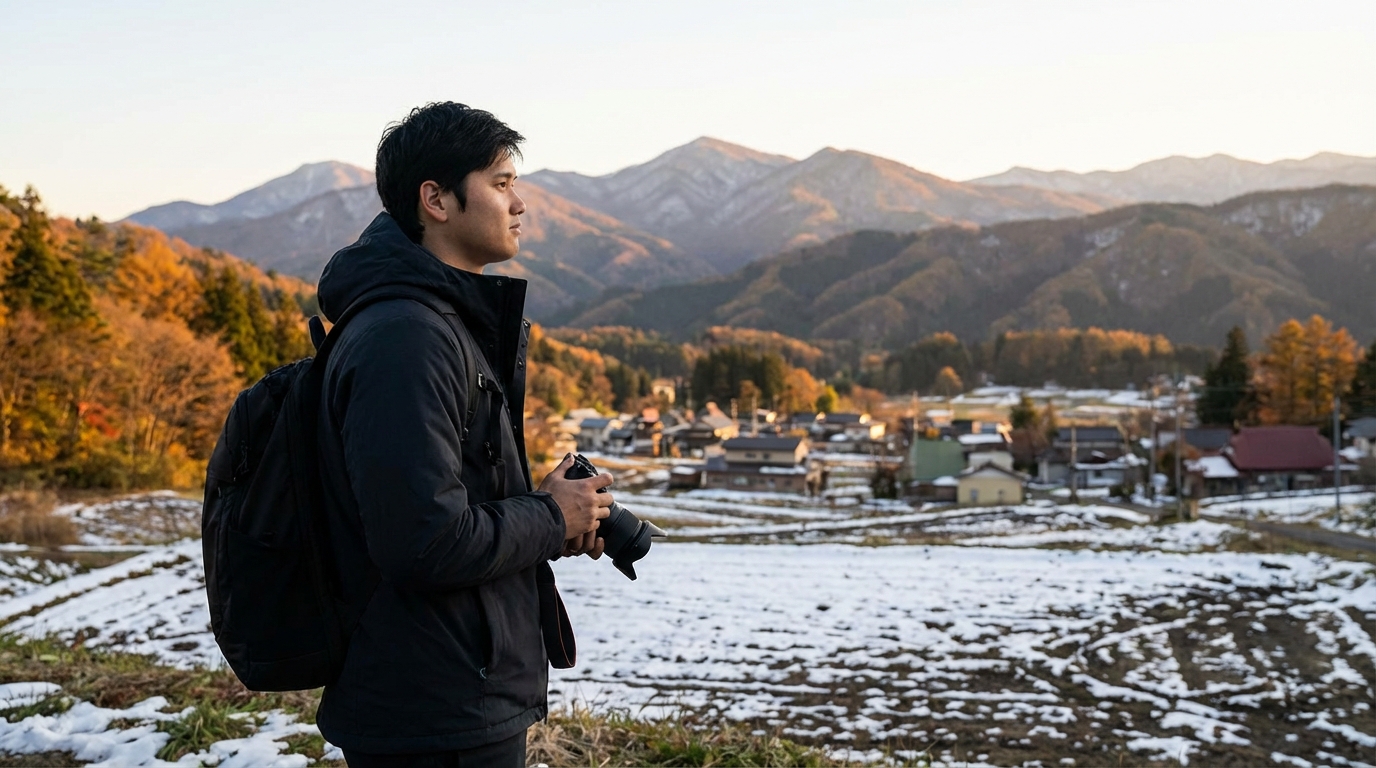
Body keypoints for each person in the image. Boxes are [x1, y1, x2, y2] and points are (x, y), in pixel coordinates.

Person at [312, 102, 610, 767]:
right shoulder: (406, 338)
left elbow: (444, 510)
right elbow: (421, 541)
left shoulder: (437, 325)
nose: (519, 203)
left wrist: (552, 522)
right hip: (433, 709)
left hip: (451, 694)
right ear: (436, 200)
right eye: (501, 183)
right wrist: (547, 516)